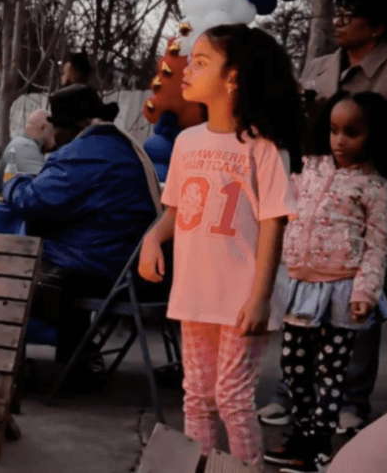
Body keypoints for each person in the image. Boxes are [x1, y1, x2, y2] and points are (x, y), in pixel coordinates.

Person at [139, 24, 303, 467]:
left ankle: (247, 469)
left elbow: (273, 222)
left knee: (232, 397)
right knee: (197, 396)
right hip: (195, 293)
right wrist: (152, 238)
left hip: (241, 298)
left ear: (234, 77)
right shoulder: (186, 142)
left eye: (201, 61)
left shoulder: (264, 147)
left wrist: (261, 297)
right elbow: (176, 210)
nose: (187, 70)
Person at [261, 0, 387, 433]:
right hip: (317, 195)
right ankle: (292, 396)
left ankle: (350, 400)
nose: (337, 21)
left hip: (368, 197)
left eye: (348, 14)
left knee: (359, 297)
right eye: (335, 12)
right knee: (303, 298)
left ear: (377, 26)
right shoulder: (319, 66)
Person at [262, 91, 387, 472]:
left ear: (374, 134)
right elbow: (284, 210)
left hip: (342, 292)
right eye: (334, 130)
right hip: (301, 287)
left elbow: (376, 245)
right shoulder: (309, 170)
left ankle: (317, 447)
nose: (340, 141)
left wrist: (365, 291)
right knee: (293, 366)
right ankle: (302, 434)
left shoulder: (376, 188)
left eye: (352, 132)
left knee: (331, 374)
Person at [3, 85, 160, 368]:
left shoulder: (84, 152)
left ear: (72, 126)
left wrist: (12, 182)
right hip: (124, 261)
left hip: (104, 268)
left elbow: (32, 200)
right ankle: (78, 358)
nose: (55, 135)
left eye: (57, 126)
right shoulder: (118, 145)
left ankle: (5, 361)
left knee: (10, 266)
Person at [299, 0, 387, 103]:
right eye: (338, 14)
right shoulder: (315, 67)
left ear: (377, 28)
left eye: (347, 17)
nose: (336, 22)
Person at [0, 108, 55, 185]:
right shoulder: (25, 146)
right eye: (52, 133)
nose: (53, 139)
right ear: (43, 128)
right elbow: (47, 184)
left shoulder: (22, 143)